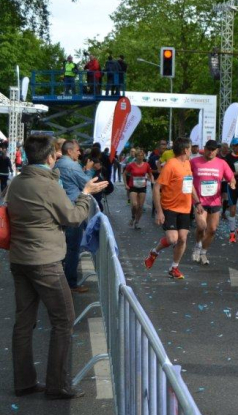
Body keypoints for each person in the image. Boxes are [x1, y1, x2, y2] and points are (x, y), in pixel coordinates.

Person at [7, 135, 107, 400]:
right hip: (46, 261)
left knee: (23, 323)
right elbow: (73, 217)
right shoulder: (49, 185)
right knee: (63, 321)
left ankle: (24, 382)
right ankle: (57, 385)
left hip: (19, 259)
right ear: (51, 157)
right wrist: (85, 195)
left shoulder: (16, 182)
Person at [144, 138, 197, 279]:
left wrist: (197, 203)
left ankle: (174, 268)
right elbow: (157, 187)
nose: (191, 151)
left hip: (185, 208)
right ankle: (154, 252)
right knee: (173, 239)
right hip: (170, 207)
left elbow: (190, 184)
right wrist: (159, 212)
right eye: (190, 148)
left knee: (182, 238)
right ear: (185, 150)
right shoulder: (171, 165)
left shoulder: (187, 163)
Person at [55, 140, 94, 293]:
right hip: (73, 210)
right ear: (70, 151)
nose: (79, 153)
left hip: (59, 209)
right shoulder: (72, 165)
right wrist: (88, 171)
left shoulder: (57, 164)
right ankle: (70, 284)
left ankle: (59, 281)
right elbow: (88, 184)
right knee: (72, 248)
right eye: (78, 150)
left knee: (62, 247)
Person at [190, 140, 236, 265]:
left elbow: (231, 177)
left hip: (215, 201)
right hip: (199, 201)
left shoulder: (222, 163)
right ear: (204, 149)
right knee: (201, 226)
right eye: (208, 149)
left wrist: (232, 183)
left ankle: (203, 252)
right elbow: (187, 177)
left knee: (212, 230)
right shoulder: (194, 162)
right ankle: (197, 246)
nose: (210, 152)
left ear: (217, 151)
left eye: (213, 149)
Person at [124, 149, 153, 229]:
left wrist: (151, 180)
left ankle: (137, 222)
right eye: (138, 156)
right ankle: (133, 216)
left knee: (140, 206)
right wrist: (126, 184)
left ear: (143, 156)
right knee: (134, 204)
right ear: (136, 156)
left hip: (142, 187)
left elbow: (150, 174)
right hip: (133, 186)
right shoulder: (131, 165)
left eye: (141, 155)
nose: (140, 157)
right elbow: (124, 174)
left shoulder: (146, 165)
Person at [148, 140, 167, 216]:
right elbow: (148, 170)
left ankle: (163, 211)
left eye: (165, 145)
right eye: (162, 145)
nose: (164, 146)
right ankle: (155, 209)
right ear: (158, 147)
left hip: (166, 180)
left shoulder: (169, 157)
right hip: (156, 180)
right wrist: (157, 171)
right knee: (156, 195)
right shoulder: (153, 158)